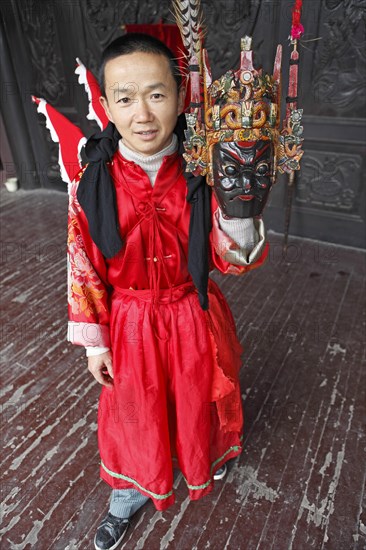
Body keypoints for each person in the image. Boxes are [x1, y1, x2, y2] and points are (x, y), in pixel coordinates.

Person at [67, 33, 267, 550]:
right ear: (106, 105)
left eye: (156, 95)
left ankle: (207, 454)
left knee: (198, 396)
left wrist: (240, 213)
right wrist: (96, 342)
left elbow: (227, 258)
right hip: (131, 321)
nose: (142, 113)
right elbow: (83, 263)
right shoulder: (91, 182)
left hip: (191, 311)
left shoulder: (207, 172)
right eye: (126, 97)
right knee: (134, 409)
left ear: (180, 98)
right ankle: (131, 492)